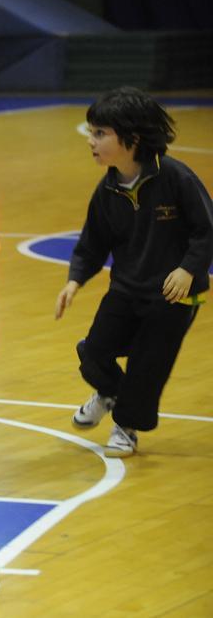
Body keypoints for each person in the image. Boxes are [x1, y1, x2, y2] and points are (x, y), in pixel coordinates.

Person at [55, 87, 212, 458]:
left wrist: (189, 270)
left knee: (147, 364)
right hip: (126, 289)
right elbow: (93, 242)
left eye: (100, 133)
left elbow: (207, 230)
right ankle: (109, 392)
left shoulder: (176, 178)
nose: (90, 141)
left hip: (174, 295)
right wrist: (74, 281)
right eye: (91, 132)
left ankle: (126, 426)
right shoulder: (107, 189)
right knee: (93, 351)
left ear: (132, 138)